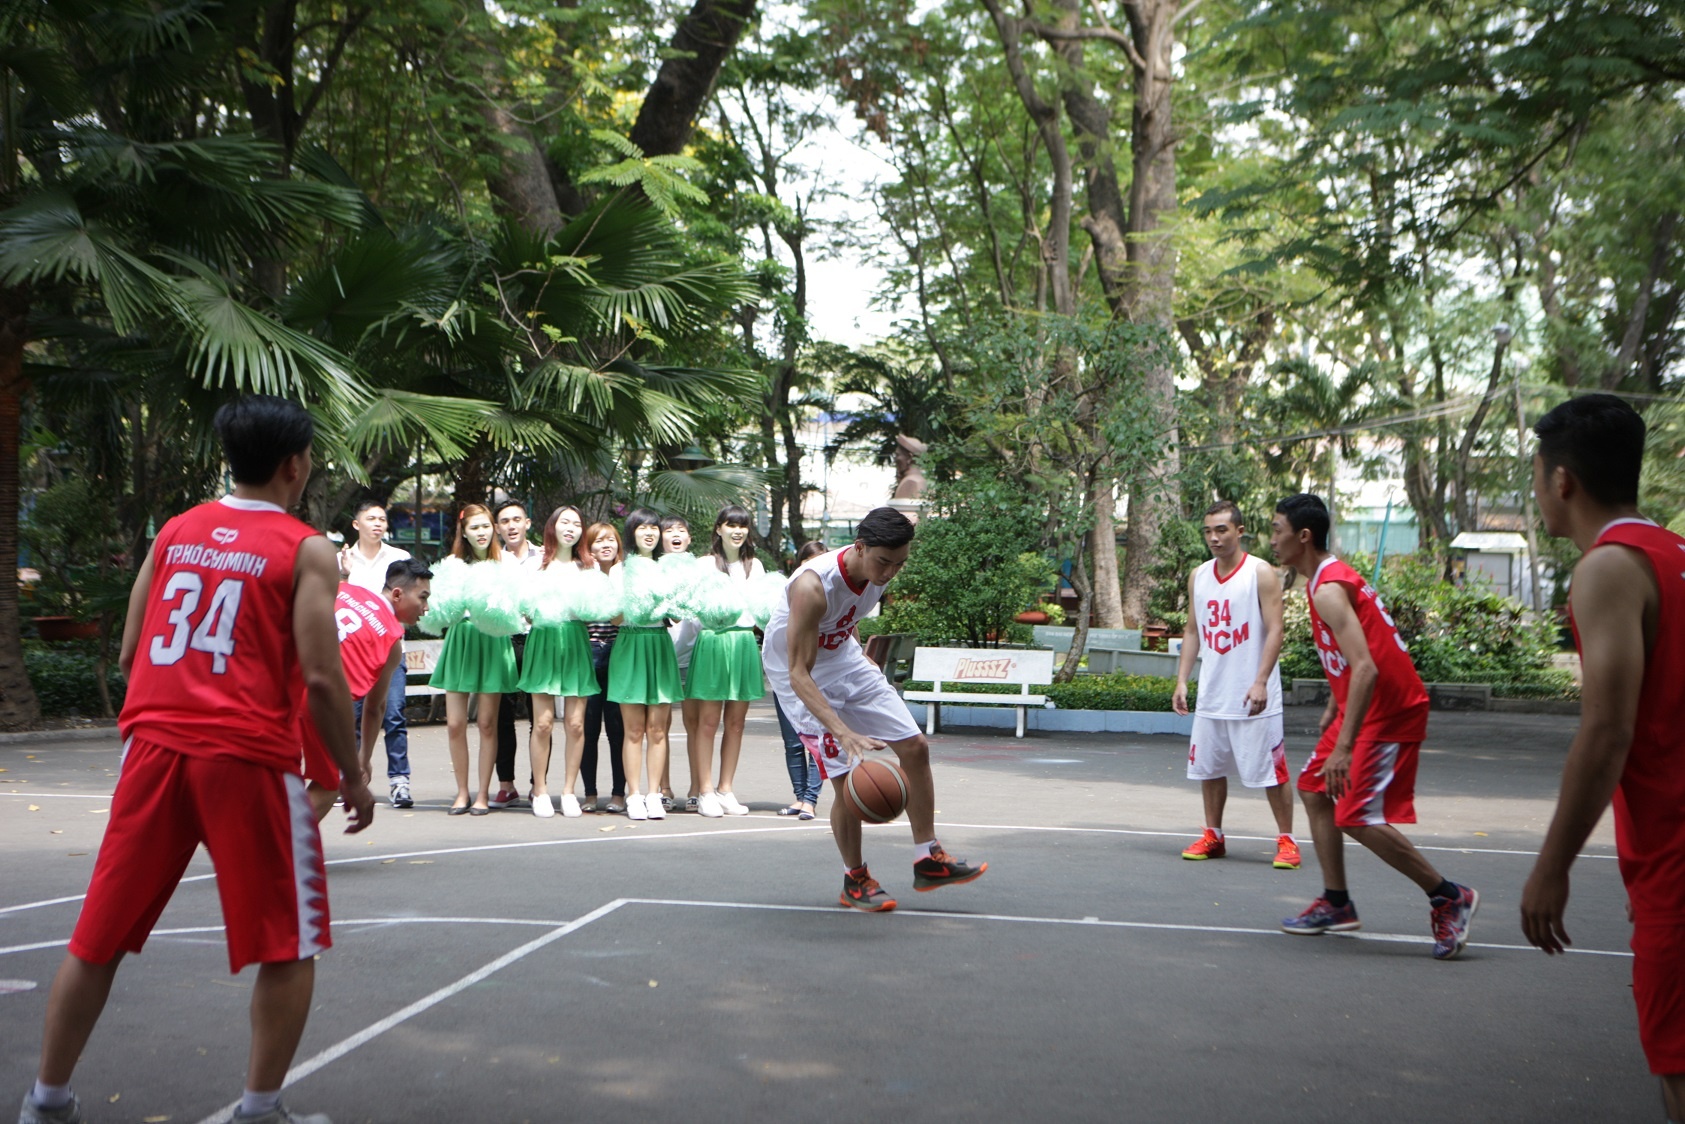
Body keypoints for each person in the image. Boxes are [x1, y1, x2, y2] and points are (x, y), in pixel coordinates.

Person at [18, 395, 374, 1124]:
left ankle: (45, 1100)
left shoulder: (178, 530)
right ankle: (259, 1107)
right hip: (245, 758)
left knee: (98, 937)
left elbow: (128, 649)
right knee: (288, 939)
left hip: (153, 750)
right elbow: (319, 672)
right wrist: (353, 773)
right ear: (294, 465)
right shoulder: (306, 548)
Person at [1519, 394, 1685, 1117]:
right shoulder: (1673, 554)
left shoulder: (1608, 567)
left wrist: (1550, 868)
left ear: (1562, 481)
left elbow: (1606, 732)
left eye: (1535, 477)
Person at [1269, 493, 1477, 959]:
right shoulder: (1324, 578)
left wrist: (1343, 746)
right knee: (1313, 788)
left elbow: (1366, 667)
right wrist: (1334, 705)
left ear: (1303, 536)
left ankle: (1448, 895)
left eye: (1278, 529)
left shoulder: (1326, 588)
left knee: (1356, 814)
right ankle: (1337, 903)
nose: (1273, 539)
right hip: (1361, 707)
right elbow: (1354, 660)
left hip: (1390, 709)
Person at [763, 507, 986, 911]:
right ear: (859, 547)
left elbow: (848, 614)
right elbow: (799, 672)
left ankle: (927, 858)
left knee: (916, 747)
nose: (889, 573)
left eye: (900, 564)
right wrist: (842, 730)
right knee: (848, 780)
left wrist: (859, 651)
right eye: (883, 562)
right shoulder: (812, 587)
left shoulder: (880, 569)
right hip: (799, 675)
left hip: (845, 658)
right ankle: (856, 879)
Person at [1172, 501, 1297, 869]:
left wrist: (1260, 681)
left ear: (1239, 531)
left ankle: (1287, 841)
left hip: (1254, 695)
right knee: (1209, 768)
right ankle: (1214, 835)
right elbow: (1193, 630)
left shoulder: (1260, 572)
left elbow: (1276, 629)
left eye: (1221, 530)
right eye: (1208, 530)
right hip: (1213, 691)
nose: (1214, 537)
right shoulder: (1199, 575)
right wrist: (1182, 680)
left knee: (1272, 770)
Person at [300, 559, 434, 821]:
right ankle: (279, 850)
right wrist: (363, 759)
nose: (426, 608)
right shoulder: (392, 640)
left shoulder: (345, 590)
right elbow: (375, 708)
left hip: (287, 682)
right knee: (328, 785)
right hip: (320, 702)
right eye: (423, 597)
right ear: (397, 594)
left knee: (277, 774)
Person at [429, 504, 518, 815]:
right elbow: (438, 607)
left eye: (485, 526)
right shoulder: (453, 564)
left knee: (487, 723)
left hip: (493, 640)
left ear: (493, 528)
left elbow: (517, 604)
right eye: (474, 528)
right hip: (461, 639)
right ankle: (462, 792)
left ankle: (482, 793)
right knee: (455, 723)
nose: (481, 533)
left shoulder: (505, 562)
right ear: (463, 532)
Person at [684, 505, 766, 818]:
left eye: (742, 526)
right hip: (713, 641)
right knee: (707, 722)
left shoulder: (754, 566)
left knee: (736, 722)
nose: (737, 531)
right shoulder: (703, 564)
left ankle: (725, 789)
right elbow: (691, 607)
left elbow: (761, 610)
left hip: (744, 642)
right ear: (718, 529)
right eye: (730, 525)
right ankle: (704, 790)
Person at [518, 506, 599, 818]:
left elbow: (595, 609)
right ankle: (540, 790)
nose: (571, 528)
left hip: (577, 641)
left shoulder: (587, 568)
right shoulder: (536, 566)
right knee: (543, 723)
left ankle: (568, 792)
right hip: (543, 639)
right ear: (552, 526)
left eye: (577, 523)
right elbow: (525, 610)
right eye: (564, 522)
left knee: (576, 724)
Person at [336, 500, 415, 808]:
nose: (378, 523)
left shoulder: (399, 558)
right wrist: (345, 574)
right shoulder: (341, 560)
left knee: (393, 714)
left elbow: (404, 598)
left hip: (391, 650)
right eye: (371, 518)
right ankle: (349, 779)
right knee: (351, 717)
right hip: (352, 655)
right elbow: (336, 600)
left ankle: (400, 782)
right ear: (357, 524)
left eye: (382, 518)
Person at [607, 508, 681, 820]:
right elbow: (614, 617)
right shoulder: (619, 570)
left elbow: (676, 615)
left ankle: (654, 795)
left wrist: (665, 597)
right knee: (633, 730)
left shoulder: (668, 569)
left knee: (658, 729)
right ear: (632, 533)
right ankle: (633, 795)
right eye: (642, 528)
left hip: (659, 644)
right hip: (630, 643)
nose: (649, 533)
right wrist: (636, 596)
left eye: (654, 528)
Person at [492, 499, 540, 809]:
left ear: (527, 523)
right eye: (505, 521)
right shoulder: (493, 560)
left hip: (538, 640)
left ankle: (540, 785)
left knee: (541, 717)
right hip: (504, 640)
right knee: (501, 716)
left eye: (516, 519)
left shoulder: (546, 557)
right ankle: (506, 784)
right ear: (497, 528)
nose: (511, 525)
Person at [775, 540, 829, 820]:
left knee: (815, 739)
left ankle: (811, 800)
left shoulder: (831, 597)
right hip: (785, 678)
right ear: (800, 566)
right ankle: (799, 797)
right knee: (793, 742)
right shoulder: (785, 594)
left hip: (816, 677)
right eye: (809, 562)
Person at [578, 522, 627, 813]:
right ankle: (590, 794)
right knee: (588, 728)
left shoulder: (627, 576)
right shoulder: (583, 576)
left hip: (620, 656)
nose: (605, 545)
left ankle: (619, 793)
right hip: (589, 655)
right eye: (598, 541)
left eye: (611, 540)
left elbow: (622, 618)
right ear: (589, 547)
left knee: (618, 729)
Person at [660, 514, 697, 813]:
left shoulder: (701, 569)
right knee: (660, 727)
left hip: (694, 657)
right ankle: (663, 788)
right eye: (669, 531)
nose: (675, 535)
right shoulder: (653, 570)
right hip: (660, 657)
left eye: (681, 531)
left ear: (689, 538)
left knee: (695, 725)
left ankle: (697, 788)